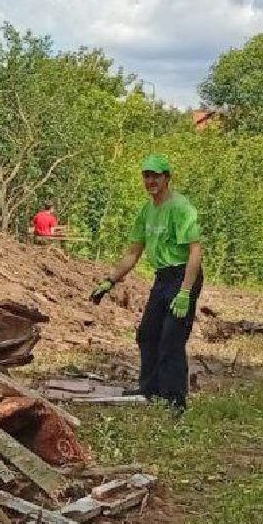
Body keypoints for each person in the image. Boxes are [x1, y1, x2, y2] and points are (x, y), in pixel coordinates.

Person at [90, 153, 203, 410]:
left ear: (167, 178)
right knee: (148, 334)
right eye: (146, 175)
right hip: (163, 277)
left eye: (155, 176)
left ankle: (175, 400)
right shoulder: (147, 211)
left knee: (171, 340)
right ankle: (150, 390)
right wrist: (110, 281)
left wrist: (185, 292)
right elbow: (133, 251)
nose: (150, 180)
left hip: (184, 274)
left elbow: (195, 251)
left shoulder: (181, 208)